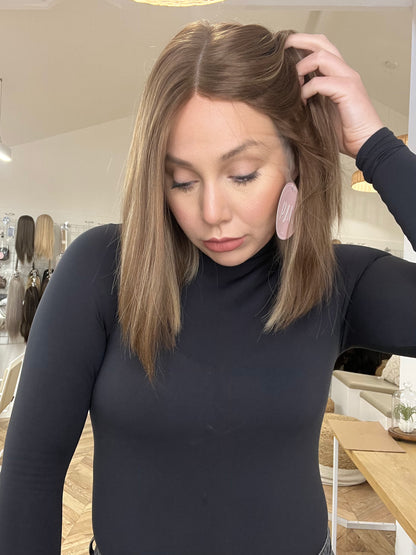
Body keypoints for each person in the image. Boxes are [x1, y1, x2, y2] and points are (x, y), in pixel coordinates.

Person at [0, 21, 415, 555]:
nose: (212, 212)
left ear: (295, 159)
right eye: (182, 180)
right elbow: (30, 473)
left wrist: (376, 147)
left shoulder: (340, 281)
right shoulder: (101, 270)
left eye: (242, 174)